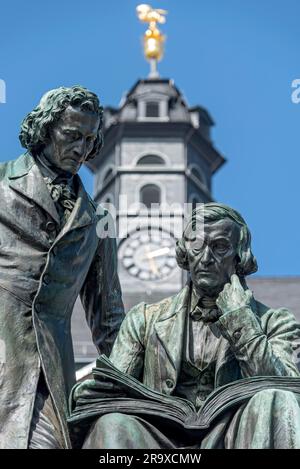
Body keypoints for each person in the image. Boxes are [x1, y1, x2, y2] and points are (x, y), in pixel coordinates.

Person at [82, 203, 300, 449]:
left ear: (240, 257)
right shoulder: (144, 319)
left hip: (233, 435)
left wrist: (241, 320)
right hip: (159, 440)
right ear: (185, 252)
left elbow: (286, 390)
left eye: (219, 247)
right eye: (197, 246)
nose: (206, 258)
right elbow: (113, 393)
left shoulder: (275, 322)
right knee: (112, 423)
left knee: (274, 398)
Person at [0, 86, 124, 449]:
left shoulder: (100, 220)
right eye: (71, 136)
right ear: (44, 131)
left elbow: (109, 321)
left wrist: (144, 384)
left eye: (89, 139)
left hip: (50, 380)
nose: (81, 148)